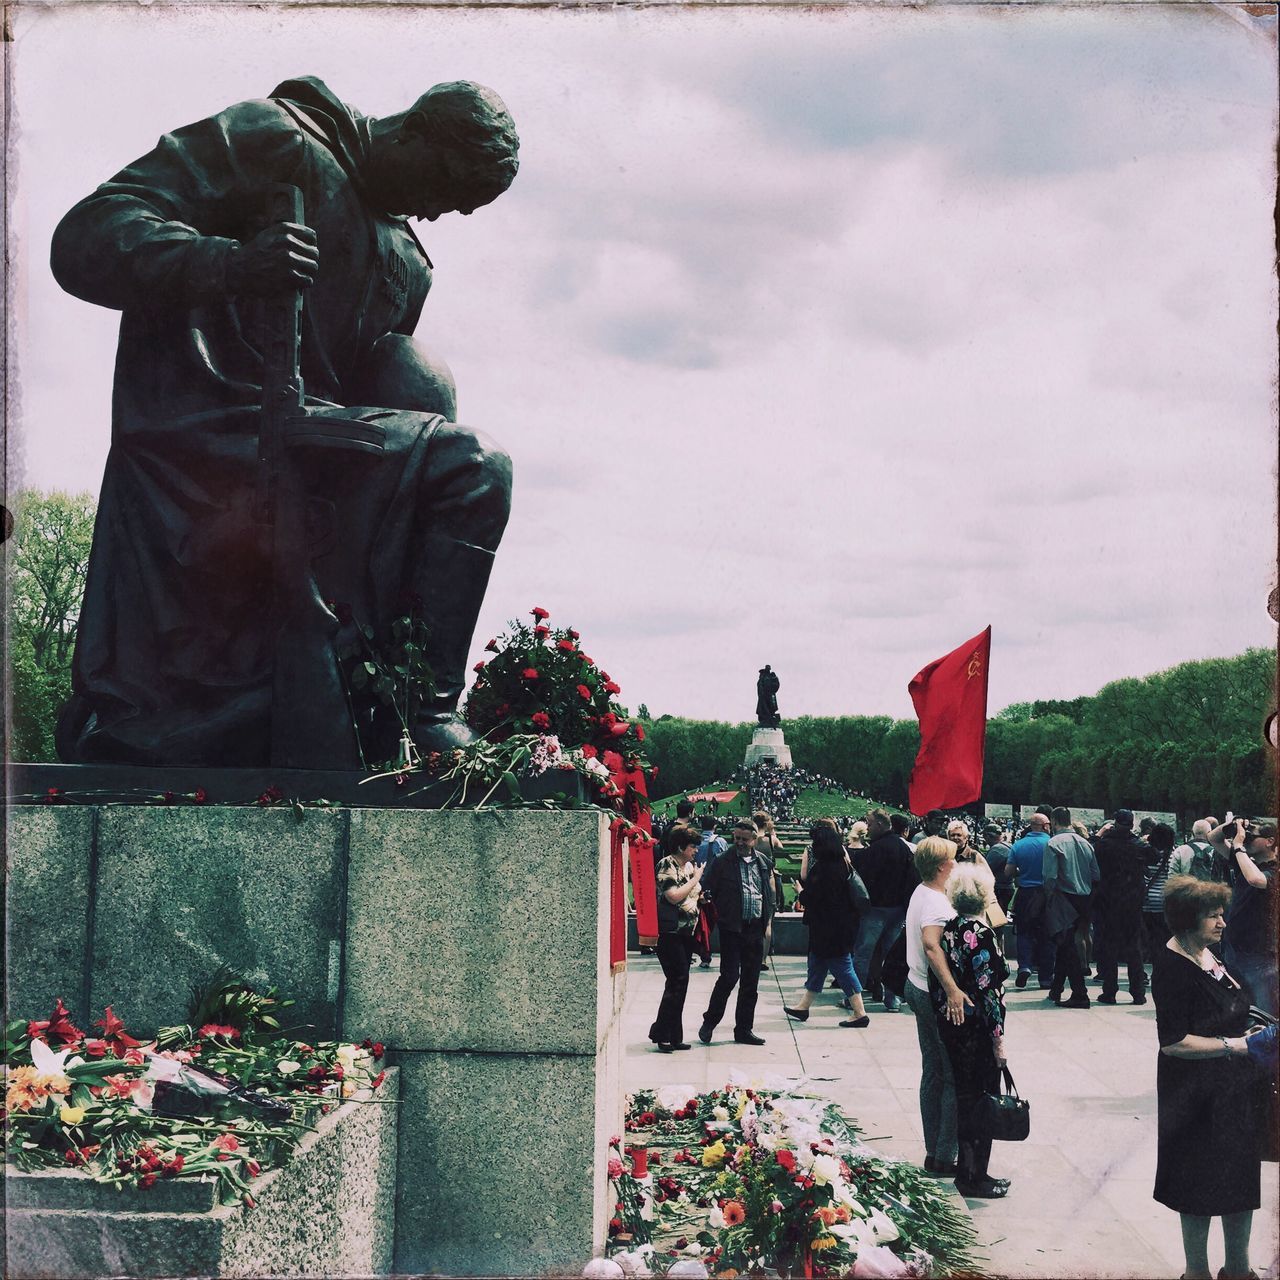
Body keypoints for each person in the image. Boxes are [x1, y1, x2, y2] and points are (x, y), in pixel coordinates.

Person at [50, 77, 520, 767]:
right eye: (448, 186)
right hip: (205, 438)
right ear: (417, 131)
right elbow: (84, 238)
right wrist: (230, 263)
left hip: (311, 444)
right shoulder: (277, 138)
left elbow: (372, 388)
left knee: (444, 465)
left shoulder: (409, 264)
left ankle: (386, 712)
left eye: (463, 207)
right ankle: (427, 715)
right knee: (475, 468)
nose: (444, 211)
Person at [1152, 876, 1268, 1280]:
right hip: (1193, 1096)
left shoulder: (1208, 954)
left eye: (1222, 914)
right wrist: (1236, 1046)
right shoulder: (1171, 966)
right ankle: (1196, 1272)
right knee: (1195, 1186)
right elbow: (1174, 1042)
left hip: (1234, 1089)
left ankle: (1239, 1269)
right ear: (1186, 920)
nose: (1222, 923)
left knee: (1240, 1181)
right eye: (1212, 917)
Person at [930, 862, 1012, 1199]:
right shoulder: (981, 935)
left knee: (966, 1099)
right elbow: (990, 993)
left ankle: (968, 1171)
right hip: (977, 1028)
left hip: (955, 1024)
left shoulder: (951, 928)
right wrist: (999, 1042)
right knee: (983, 1100)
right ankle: (975, 1175)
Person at [903, 836, 966, 1179]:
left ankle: (933, 1150)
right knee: (951, 1074)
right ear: (943, 866)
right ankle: (944, 1155)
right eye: (954, 860)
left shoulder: (922, 891)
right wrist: (953, 990)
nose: (956, 864)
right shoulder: (938, 904)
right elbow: (931, 945)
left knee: (933, 1070)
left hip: (915, 986)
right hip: (933, 994)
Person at [784, 824, 871, 1028]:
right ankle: (803, 1007)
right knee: (817, 964)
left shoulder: (823, 869)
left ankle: (859, 1012)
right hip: (841, 925)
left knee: (842, 966)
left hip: (829, 929)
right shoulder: (842, 863)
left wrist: (800, 891)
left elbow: (814, 899)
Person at [699, 819, 776, 1046]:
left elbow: (768, 891)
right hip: (732, 927)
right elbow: (707, 886)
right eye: (737, 838)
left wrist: (767, 917)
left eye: (745, 839)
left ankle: (744, 1029)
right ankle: (710, 1021)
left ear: (754, 840)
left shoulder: (763, 862)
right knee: (729, 977)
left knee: (750, 982)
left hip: (754, 927)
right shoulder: (722, 861)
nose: (740, 843)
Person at [851, 809, 918, 1011]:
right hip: (897, 911)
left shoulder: (873, 850)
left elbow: (860, 882)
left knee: (863, 953)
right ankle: (893, 999)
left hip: (875, 910)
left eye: (869, 824)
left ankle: (855, 998)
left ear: (880, 825)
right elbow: (912, 880)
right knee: (892, 955)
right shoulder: (903, 848)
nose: (867, 828)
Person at [1213, 819, 1278, 1017]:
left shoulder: (1274, 870)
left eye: (1252, 835)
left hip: (1259, 953)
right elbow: (1214, 839)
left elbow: (1256, 879)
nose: (1247, 837)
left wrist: (1239, 845)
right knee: (1239, 1009)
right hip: (1233, 948)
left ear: (1269, 841)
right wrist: (1232, 825)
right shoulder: (1246, 862)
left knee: (1264, 1011)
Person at [648, 824, 704, 1053]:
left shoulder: (687, 865)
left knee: (681, 983)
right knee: (676, 982)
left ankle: (674, 1035)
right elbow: (672, 896)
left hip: (686, 932)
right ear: (681, 846)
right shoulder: (666, 864)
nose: (695, 851)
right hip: (669, 932)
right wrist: (696, 879)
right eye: (692, 847)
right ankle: (661, 1034)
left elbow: (692, 893)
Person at [1042, 806, 1100, 1008]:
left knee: (1067, 946)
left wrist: (1048, 900)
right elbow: (1095, 875)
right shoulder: (1086, 844)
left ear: (1054, 821)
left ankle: (1079, 993)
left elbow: (1049, 878)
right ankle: (1056, 988)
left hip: (1062, 899)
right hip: (1084, 899)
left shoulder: (1054, 843)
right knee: (1066, 945)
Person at [1093, 809, 1150, 1005]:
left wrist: (1100, 833)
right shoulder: (1138, 845)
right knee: (1134, 948)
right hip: (1133, 902)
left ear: (1114, 823)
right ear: (1132, 824)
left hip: (1108, 901)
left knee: (1109, 948)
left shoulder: (1104, 845)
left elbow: (1092, 854)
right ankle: (1138, 993)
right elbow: (1155, 856)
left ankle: (1109, 991)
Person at [1007, 812, 1054, 989]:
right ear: (1044, 826)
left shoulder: (1018, 845)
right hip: (1046, 894)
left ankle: (1024, 966)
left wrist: (1022, 873)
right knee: (1047, 935)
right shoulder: (1051, 844)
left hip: (1025, 893)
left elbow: (1008, 872)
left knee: (1024, 933)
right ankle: (1045, 977)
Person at [947, 819, 1007, 930]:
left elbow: (989, 880)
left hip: (972, 906)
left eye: (959, 835)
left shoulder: (974, 855)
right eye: (952, 835)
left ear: (966, 838)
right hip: (950, 903)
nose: (955, 838)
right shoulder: (946, 855)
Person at [753, 811, 788, 970]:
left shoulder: (751, 839)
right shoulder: (771, 839)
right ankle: (763, 959)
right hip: (769, 881)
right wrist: (772, 832)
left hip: (753, 880)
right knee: (767, 923)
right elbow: (782, 849)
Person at [694, 816, 727, 969]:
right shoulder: (719, 842)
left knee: (702, 923)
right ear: (715, 826)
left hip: (695, 886)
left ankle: (703, 954)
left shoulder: (695, 841)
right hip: (715, 889)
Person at [1141, 823, 1178, 959]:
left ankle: (1152, 957)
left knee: (1149, 936)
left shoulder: (1146, 852)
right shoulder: (1173, 854)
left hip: (1146, 900)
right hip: (1163, 899)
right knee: (1164, 936)